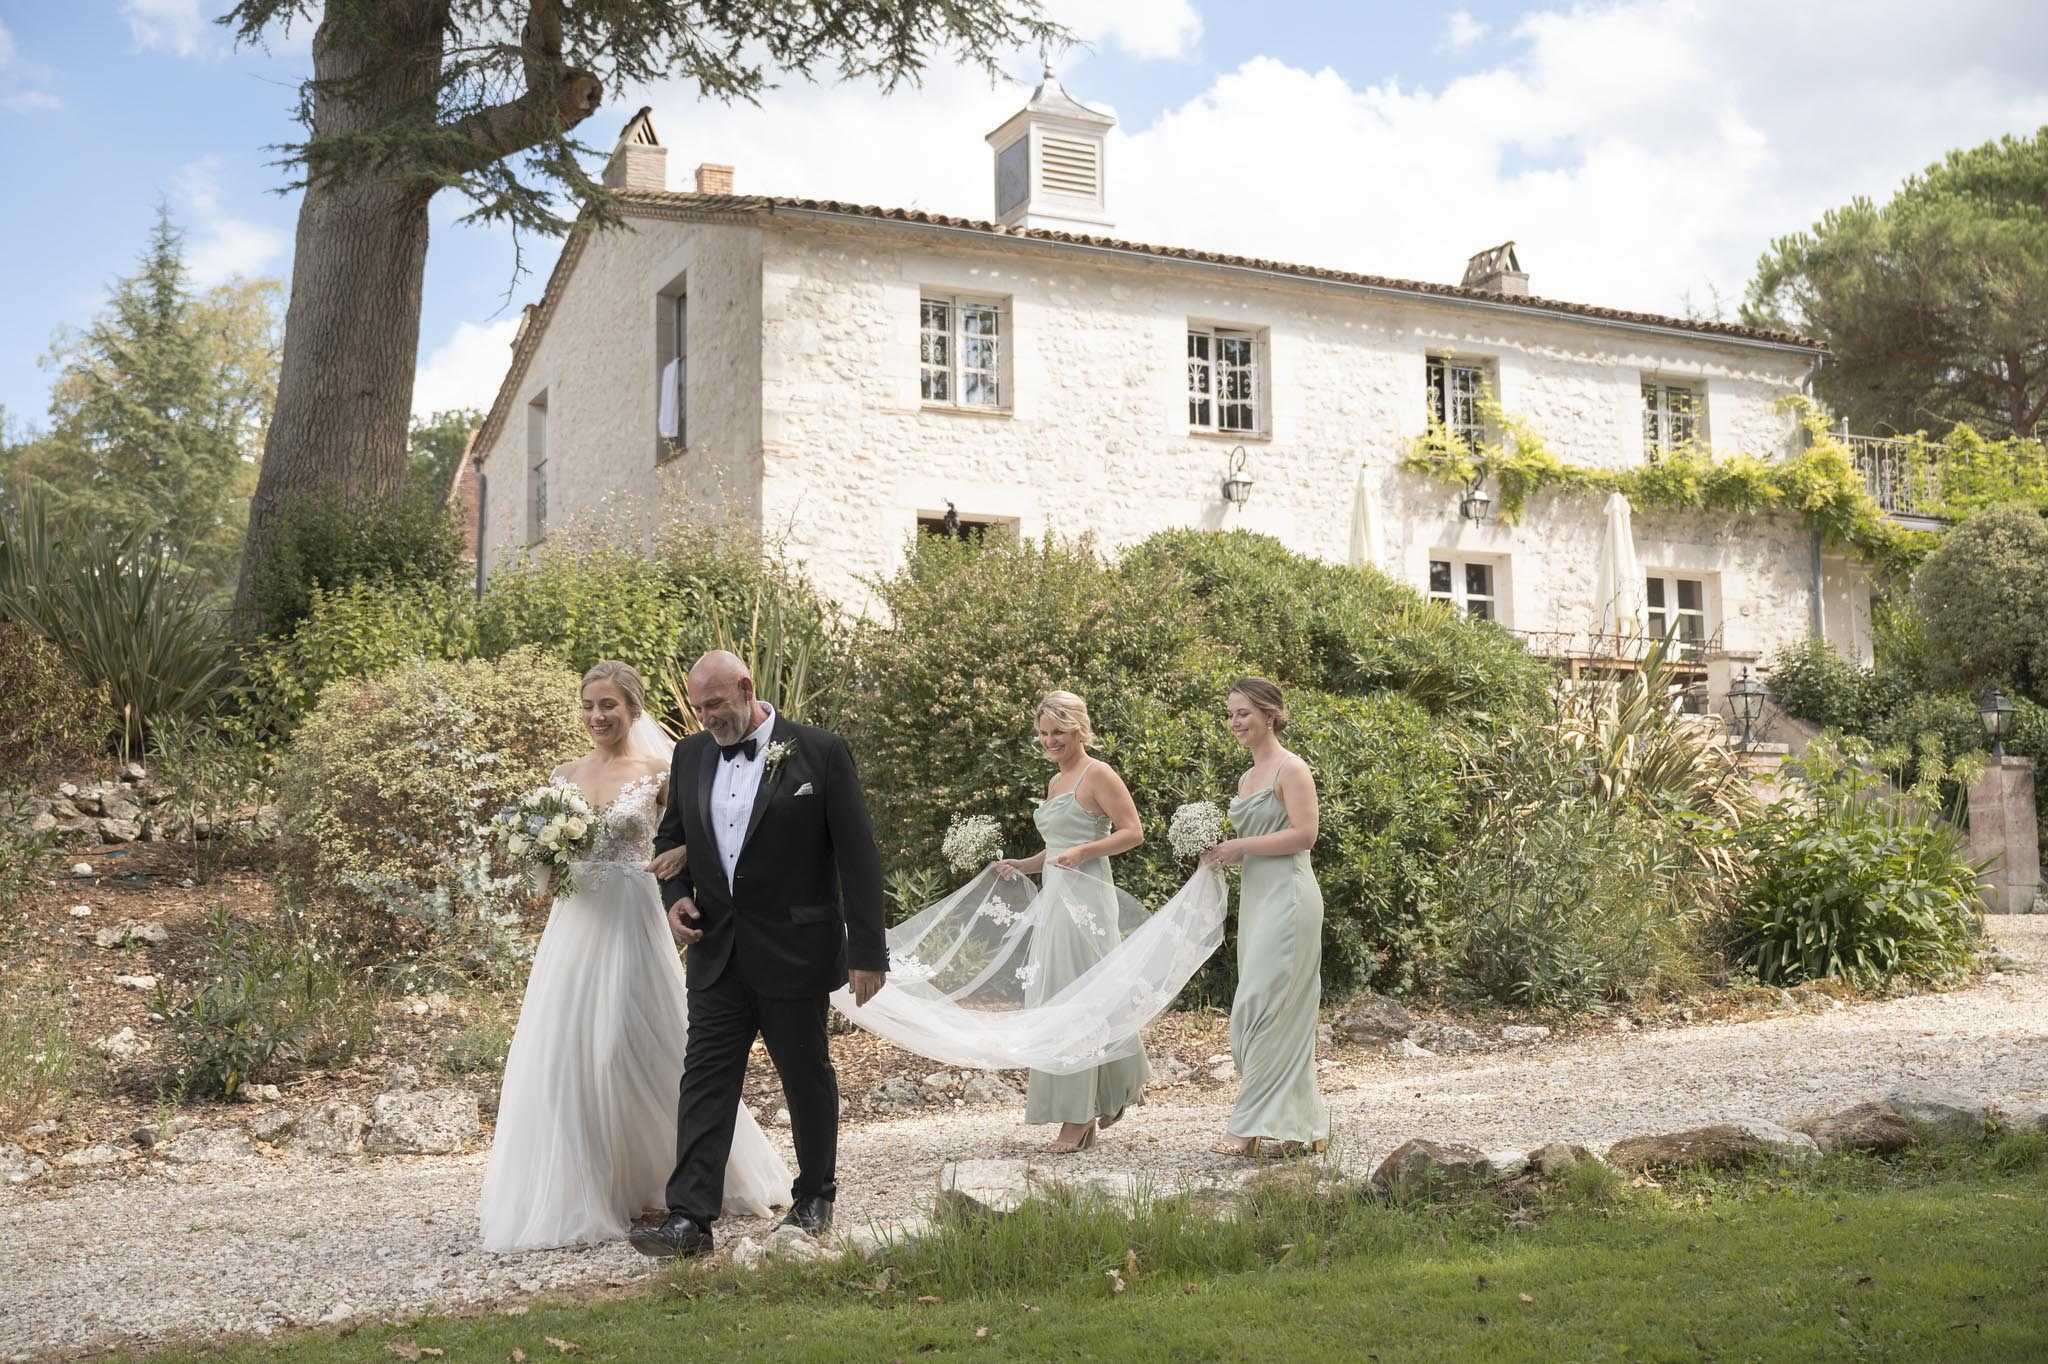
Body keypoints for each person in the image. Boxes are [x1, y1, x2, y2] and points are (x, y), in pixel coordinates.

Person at [478, 661, 790, 1252]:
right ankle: (590, 1191)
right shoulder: (562, 775)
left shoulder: (661, 770)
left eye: (609, 706)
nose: (598, 717)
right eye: (589, 705)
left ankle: (694, 1176)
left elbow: (698, 836)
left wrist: (682, 874)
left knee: (626, 1044)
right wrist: (542, 858)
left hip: (632, 920)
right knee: (566, 1051)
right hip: (573, 929)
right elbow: (545, 873)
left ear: (632, 710)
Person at [630, 651, 889, 1259]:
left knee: (805, 1075)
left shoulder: (820, 751)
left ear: (747, 688)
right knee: (704, 1080)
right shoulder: (691, 754)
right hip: (717, 950)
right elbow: (673, 842)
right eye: (698, 707)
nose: (706, 716)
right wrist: (675, 899)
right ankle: (689, 1219)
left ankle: (815, 1196)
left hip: (795, 947)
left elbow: (859, 856)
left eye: (715, 704)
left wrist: (869, 950)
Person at [992, 692, 1148, 1153]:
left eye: (1057, 731)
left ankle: (1079, 1116)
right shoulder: (1054, 782)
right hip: (1056, 902)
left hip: (1089, 902)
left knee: (1083, 996)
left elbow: (1132, 832)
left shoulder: (1098, 774)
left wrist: (1085, 852)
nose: (1049, 741)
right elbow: (1057, 847)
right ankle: (1099, 1097)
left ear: (1077, 728)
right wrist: (1024, 864)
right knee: (1057, 997)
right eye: (1042, 733)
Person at [1200, 677, 1330, 1158]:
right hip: (1257, 899)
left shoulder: (1291, 769)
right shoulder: (1247, 778)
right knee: (1254, 1008)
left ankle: (1247, 1126)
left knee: (1268, 1003)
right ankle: (1302, 1120)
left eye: (1244, 713)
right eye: (1230, 714)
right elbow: (1251, 844)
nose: (1235, 722)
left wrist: (1241, 846)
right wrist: (1219, 855)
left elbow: (1305, 835)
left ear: (1270, 714)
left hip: (1290, 898)